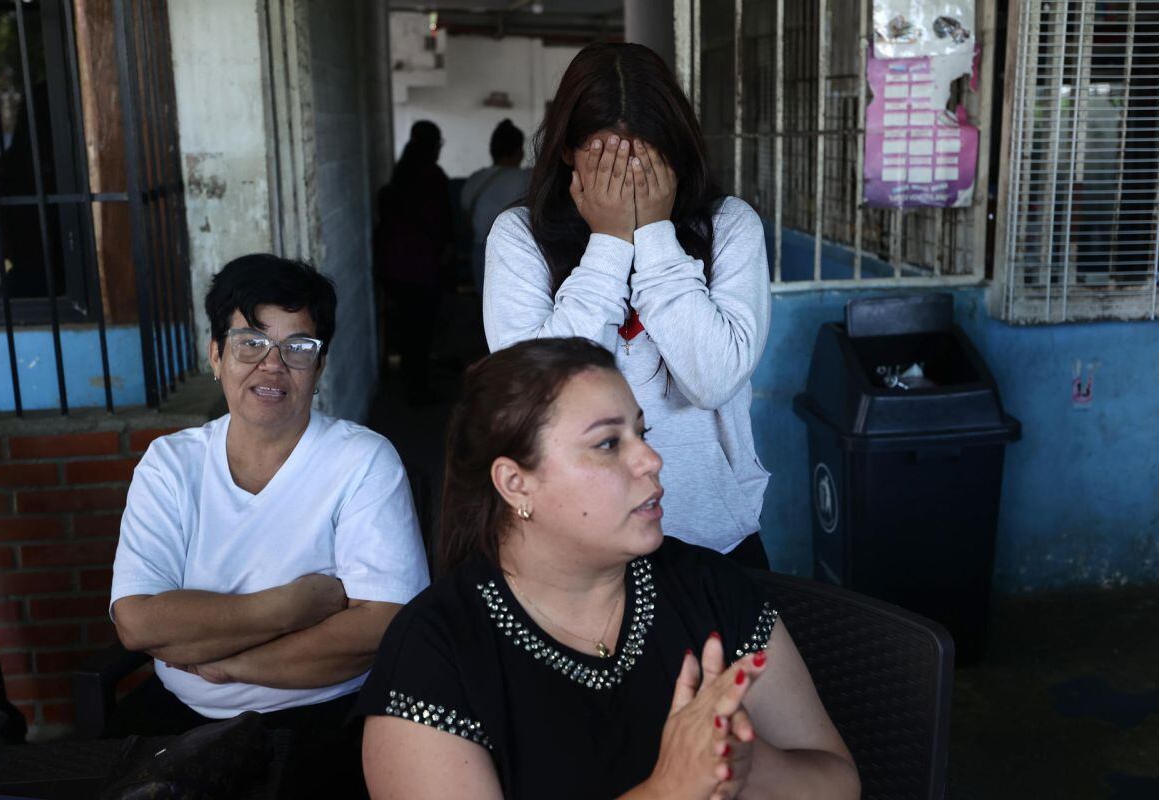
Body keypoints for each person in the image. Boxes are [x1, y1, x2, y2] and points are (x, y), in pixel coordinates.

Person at [357, 337, 859, 800]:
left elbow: (839, 783)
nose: (651, 459)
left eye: (641, 432)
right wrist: (669, 789)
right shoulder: (433, 652)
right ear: (515, 484)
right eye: (607, 443)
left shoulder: (707, 584)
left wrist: (745, 761)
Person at [109, 254, 429, 783]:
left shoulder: (363, 461)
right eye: (250, 343)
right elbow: (138, 621)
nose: (273, 365)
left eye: (298, 348)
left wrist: (226, 665)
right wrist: (293, 606)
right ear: (216, 355)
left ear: (319, 367)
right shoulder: (170, 464)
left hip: (323, 720)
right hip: (180, 720)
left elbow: (381, 627)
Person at [482, 43, 774, 570]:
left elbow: (711, 379)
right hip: (575, 545)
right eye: (607, 162)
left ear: (676, 153)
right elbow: (538, 398)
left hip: (714, 539)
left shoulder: (730, 226)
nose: (628, 179)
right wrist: (610, 242)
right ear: (568, 152)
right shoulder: (519, 237)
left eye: (646, 161)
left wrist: (655, 235)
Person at [374, 120, 454, 403]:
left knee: (408, 329)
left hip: (395, 268)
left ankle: (412, 385)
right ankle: (419, 390)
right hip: (423, 268)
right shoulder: (433, 177)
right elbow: (442, 223)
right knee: (422, 330)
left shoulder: (400, 174)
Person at [460, 119, 530, 294]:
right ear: (518, 150)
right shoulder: (526, 179)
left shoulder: (474, 179)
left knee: (485, 305)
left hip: (479, 253)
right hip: (513, 253)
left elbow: (466, 215)